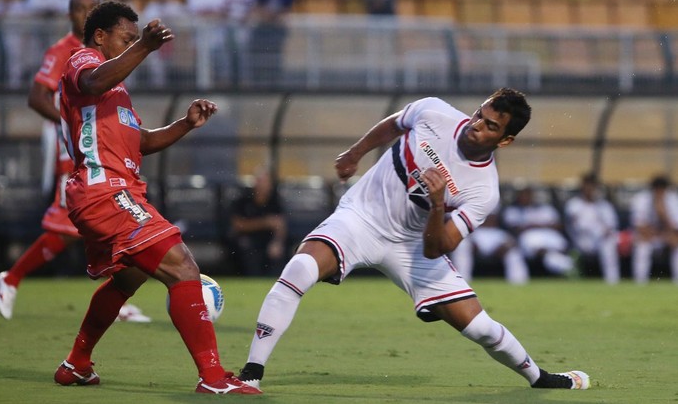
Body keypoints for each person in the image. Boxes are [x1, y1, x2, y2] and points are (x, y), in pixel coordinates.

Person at [237, 88, 590, 391]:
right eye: (478, 115)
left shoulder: (484, 190)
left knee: (480, 328)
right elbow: (395, 122)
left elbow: (436, 246)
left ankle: (539, 377)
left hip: (413, 245)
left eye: (490, 127)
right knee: (300, 267)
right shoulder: (435, 111)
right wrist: (355, 153)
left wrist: (438, 204)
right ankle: (251, 375)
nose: (476, 125)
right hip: (360, 217)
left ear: (506, 140)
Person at [52, 1, 260, 394]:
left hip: (113, 190)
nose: (133, 45)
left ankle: (76, 363)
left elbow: (141, 141)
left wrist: (186, 123)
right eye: (126, 38)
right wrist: (145, 46)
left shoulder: (116, 90)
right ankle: (213, 378)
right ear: (100, 35)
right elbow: (91, 81)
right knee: (182, 266)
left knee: (129, 278)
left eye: (136, 39)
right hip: (104, 190)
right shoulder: (83, 60)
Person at [0, 0, 148, 323]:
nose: (85, 13)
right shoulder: (64, 51)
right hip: (76, 145)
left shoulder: (107, 51)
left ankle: (117, 292)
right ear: (71, 15)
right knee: (69, 223)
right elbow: (37, 97)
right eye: (80, 9)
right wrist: (70, 124)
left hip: (99, 143)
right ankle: (12, 278)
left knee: (98, 218)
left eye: (91, 8)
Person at [502, 185, 576, 277]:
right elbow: (514, 228)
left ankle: (566, 265)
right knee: (539, 248)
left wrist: (535, 225)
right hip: (528, 236)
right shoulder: (513, 210)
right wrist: (538, 225)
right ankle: (567, 267)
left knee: (558, 247)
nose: (525, 197)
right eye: (523, 195)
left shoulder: (545, 209)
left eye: (528, 194)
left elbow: (558, 225)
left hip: (548, 235)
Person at [228, 167, 288, 276]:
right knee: (248, 251)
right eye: (260, 181)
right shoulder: (243, 199)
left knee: (279, 253)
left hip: (268, 240)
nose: (263, 185)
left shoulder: (275, 201)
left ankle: (273, 282)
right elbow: (238, 225)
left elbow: (280, 224)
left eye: (266, 182)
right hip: (248, 239)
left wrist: (277, 242)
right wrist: (265, 222)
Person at [564, 173, 621, 284]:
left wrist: (604, 231)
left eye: (593, 186)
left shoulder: (604, 205)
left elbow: (611, 226)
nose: (590, 189)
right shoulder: (574, 204)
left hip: (600, 239)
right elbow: (574, 226)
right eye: (587, 185)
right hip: (581, 240)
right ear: (582, 187)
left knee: (609, 245)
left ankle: (612, 281)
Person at [450, 208, 529, 284]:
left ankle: (518, 282)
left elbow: (512, 242)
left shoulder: (501, 232)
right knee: (463, 246)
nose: (489, 218)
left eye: (492, 216)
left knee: (513, 252)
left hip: (496, 241)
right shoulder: (473, 229)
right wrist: (473, 245)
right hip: (477, 237)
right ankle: (463, 280)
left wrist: (505, 247)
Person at [629, 175, 678, 284]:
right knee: (642, 246)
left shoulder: (672, 199)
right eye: (657, 189)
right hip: (648, 235)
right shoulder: (641, 199)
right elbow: (639, 227)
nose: (660, 192)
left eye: (662, 189)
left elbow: (675, 228)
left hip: (666, 235)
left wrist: (663, 213)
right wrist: (654, 234)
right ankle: (640, 282)